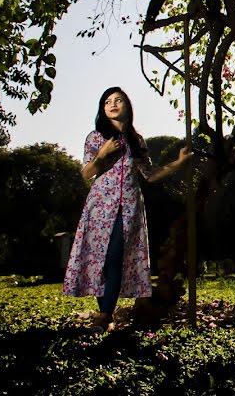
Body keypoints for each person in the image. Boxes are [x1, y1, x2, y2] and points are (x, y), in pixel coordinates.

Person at [62, 87, 193, 329]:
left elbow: (150, 175)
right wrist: (101, 155)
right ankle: (105, 314)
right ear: (102, 109)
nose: (112, 104)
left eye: (118, 100)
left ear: (127, 107)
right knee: (99, 259)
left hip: (130, 206)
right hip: (100, 206)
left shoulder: (136, 140)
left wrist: (178, 162)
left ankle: (104, 315)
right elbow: (86, 173)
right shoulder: (95, 137)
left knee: (115, 256)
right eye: (107, 102)